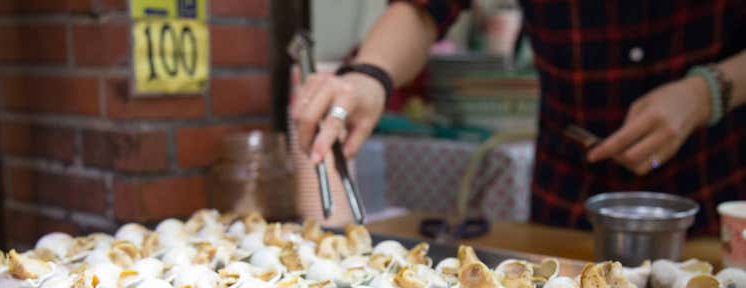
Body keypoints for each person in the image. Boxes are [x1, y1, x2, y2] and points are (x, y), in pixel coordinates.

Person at [292, 1, 746, 234]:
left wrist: (711, 91)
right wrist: (371, 76)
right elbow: (424, 7)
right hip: (569, 195)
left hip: (718, 193)